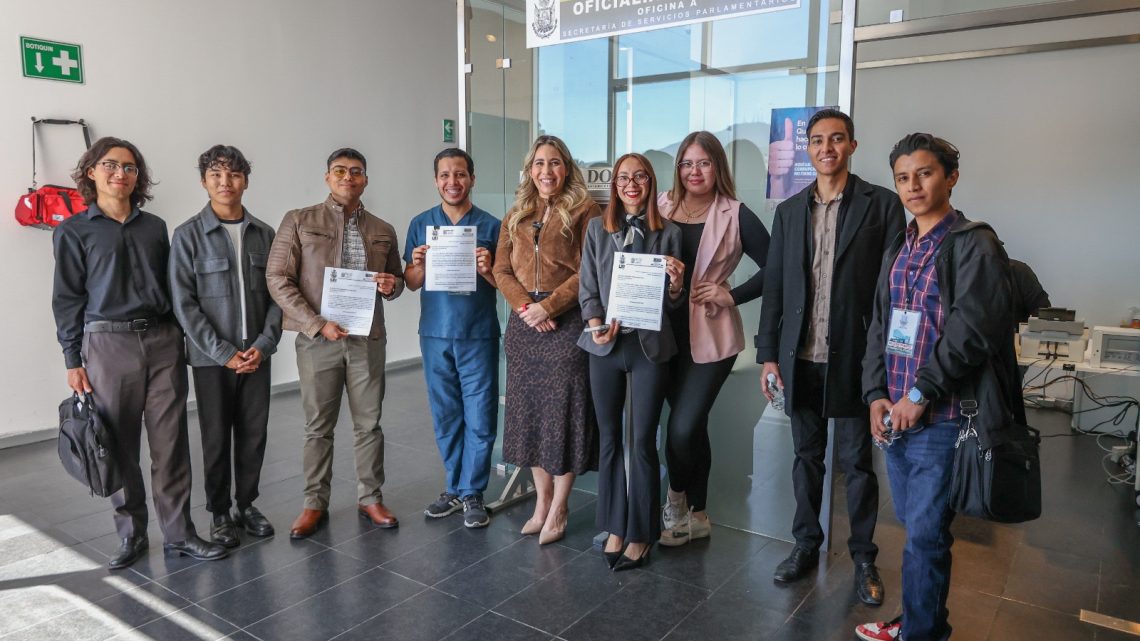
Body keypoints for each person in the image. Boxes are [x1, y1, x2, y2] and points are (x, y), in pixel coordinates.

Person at [856, 134, 1022, 641]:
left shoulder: (974, 244)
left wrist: (920, 394)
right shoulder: (900, 246)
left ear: (950, 177)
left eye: (924, 174)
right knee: (915, 529)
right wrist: (875, 393)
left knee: (925, 536)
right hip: (896, 414)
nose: (913, 186)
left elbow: (972, 330)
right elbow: (881, 326)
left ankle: (923, 633)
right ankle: (921, 621)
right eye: (903, 177)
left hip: (942, 417)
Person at [52, 137, 227, 568]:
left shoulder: (155, 227)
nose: (120, 174)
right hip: (107, 345)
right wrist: (72, 360)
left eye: (129, 168)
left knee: (172, 444)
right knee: (119, 445)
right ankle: (131, 534)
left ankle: (179, 533)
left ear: (138, 177)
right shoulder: (73, 231)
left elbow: (173, 287)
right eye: (110, 165)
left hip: (163, 340)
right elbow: (67, 299)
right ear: (91, 172)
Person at [756, 109, 905, 604]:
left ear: (852, 146)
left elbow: (891, 290)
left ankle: (864, 557)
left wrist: (887, 364)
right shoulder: (789, 210)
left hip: (857, 357)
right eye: (817, 140)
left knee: (857, 463)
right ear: (808, 149)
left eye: (836, 139)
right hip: (800, 355)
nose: (827, 148)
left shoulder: (881, 205)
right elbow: (774, 289)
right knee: (805, 457)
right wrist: (767, 356)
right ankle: (805, 544)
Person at [266, 148, 404, 538]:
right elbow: (277, 277)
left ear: (365, 179)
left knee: (369, 424)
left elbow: (393, 281)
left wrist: (392, 285)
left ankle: (371, 498)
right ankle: (314, 503)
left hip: (366, 340)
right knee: (317, 427)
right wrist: (316, 323)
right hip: (318, 340)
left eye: (356, 171)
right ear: (327, 177)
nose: (348, 177)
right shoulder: (298, 221)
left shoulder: (382, 229)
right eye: (340, 171)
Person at [656, 131, 770, 546]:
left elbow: (776, 267)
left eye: (703, 163)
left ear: (717, 166)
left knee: (682, 428)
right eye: (686, 163)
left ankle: (675, 499)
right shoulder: (661, 205)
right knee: (693, 426)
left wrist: (731, 294)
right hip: (663, 335)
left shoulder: (736, 213)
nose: (694, 171)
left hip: (710, 335)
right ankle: (700, 515)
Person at [170, 145, 282, 547]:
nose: (225, 182)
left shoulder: (265, 235)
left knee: (254, 433)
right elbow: (184, 304)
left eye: (233, 175)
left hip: (256, 356)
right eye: (216, 175)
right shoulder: (187, 236)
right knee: (216, 436)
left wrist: (265, 344)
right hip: (210, 360)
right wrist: (223, 352)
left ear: (245, 181)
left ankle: (246, 504)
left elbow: (277, 297)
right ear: (204, 181)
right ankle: (218, 511)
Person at [492, 134, 602, 545]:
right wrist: (525, 307)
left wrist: (549, 307)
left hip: (567, 323)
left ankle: (560, 507)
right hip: (524, 325)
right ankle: (541, 502)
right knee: (532, 417)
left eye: (554, 163)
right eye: (539, 163)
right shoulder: (516, 213)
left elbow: (590, 271)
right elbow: (501, 270)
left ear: (566, 168)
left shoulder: (586, 211)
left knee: (563, 416)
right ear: (530, 170)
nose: (546, 171)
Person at [578, 154, 685, 570]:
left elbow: (673, 304)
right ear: (614, 185)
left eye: (640, 176)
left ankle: (641, 533)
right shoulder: (595, 229)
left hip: (648, 349)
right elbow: (588, 285)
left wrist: (677, 284)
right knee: (608, 439)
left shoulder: (669, 232)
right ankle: (615, 526)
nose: (631, 184)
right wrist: (594, 324)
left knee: (641, 443)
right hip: (604, 347)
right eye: (623, 178)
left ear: (651, 182)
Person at [403, 148, 501, 528]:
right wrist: (419, 264)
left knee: (479, 414)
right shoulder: (421, 224)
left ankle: (473, 491)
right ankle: (453, 488)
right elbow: (411, 283)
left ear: (472, 179)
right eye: (445, 175)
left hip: (477, 333)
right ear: (436, 181)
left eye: (460, 174)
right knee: (445, 414)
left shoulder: (492, 226)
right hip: (435, 333)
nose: (452, 182)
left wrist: (488, 268)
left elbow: (503, 282)